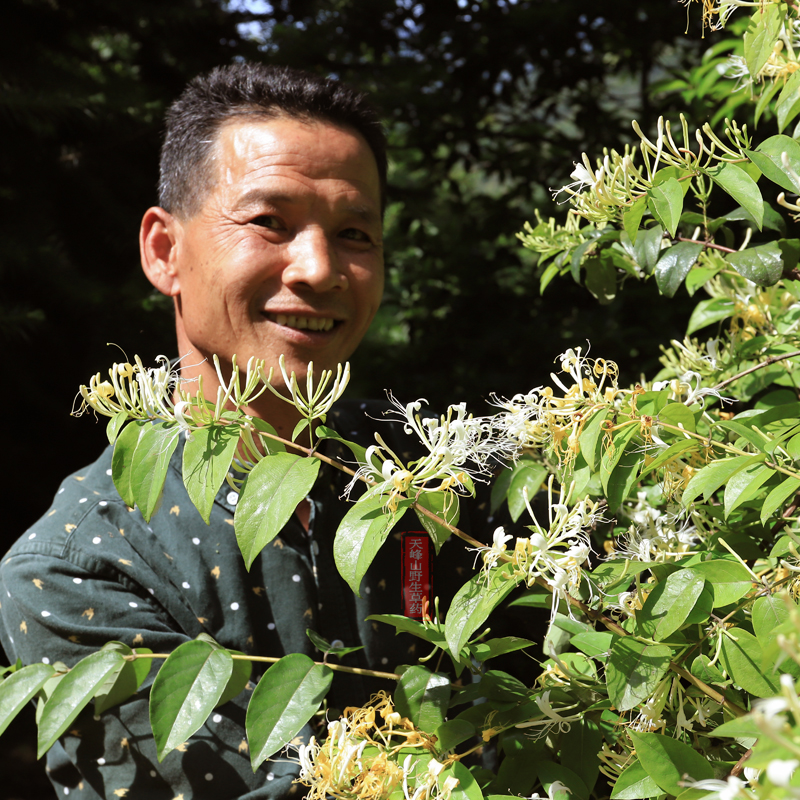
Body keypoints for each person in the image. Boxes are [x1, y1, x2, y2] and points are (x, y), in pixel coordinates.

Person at [0, 64, 479, 799]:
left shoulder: (430, 484)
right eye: (268, 222)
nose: (320, 269)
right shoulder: (76, 568)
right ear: (165, 252)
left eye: (355, 233)